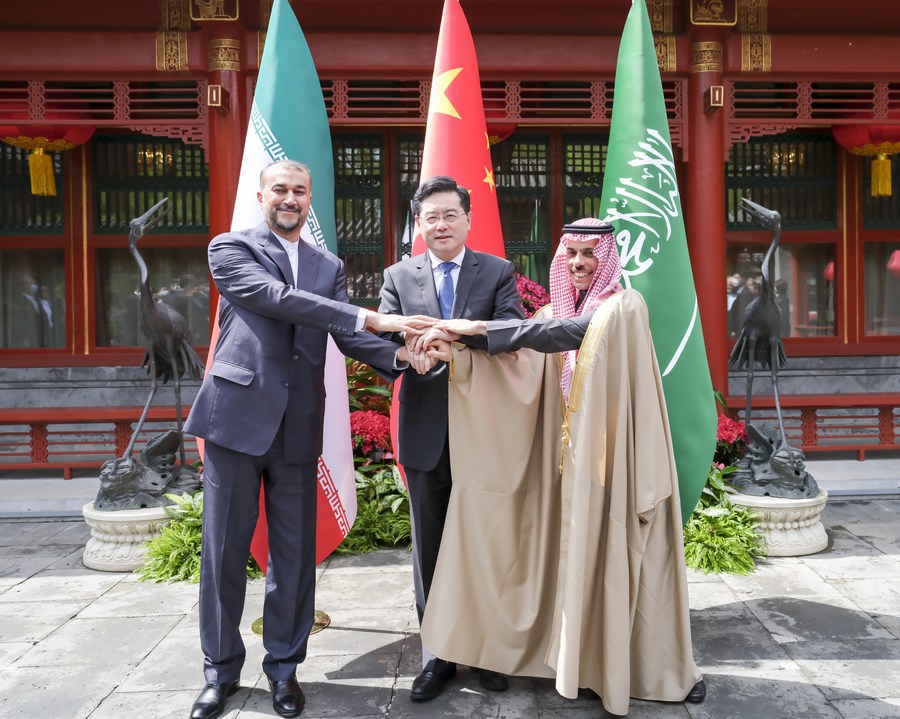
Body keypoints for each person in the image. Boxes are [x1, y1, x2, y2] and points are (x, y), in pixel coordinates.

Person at [418, 217, 706, 716]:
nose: (578, 263)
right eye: (570, 254)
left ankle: (641, 667)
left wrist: (479, 329)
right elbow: (522, 369)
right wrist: (462, 356)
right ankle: (580, 662)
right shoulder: (551, 311)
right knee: (573, 561)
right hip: (567, 468)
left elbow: (570, 332)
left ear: (607, 258)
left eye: (589, 254)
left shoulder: (624, 307)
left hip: (615, 464)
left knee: (618, 559)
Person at [183, 159, 433, 719]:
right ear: (262, 196)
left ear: (309, 199)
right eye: (280, 189)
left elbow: (345, 334)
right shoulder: (232, 248)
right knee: (223, 554)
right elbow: (276, 299)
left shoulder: (328, 265)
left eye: (299, 190)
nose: (290, 198)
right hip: (236, 418)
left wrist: (402, 356)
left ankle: (284, 670)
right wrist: (372, 317)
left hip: (298, 423)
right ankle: (220, 673)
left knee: (293, 558)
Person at [377, 175, 525, 701]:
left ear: (468, 219)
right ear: (419, 225)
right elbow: (381, 338)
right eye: (431, 217)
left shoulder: (497, 271)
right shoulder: (398, 276)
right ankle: (437, 655)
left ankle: (485, 652)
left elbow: (512, 331)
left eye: (450, 215)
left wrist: (457, 337)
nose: (441, 225)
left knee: (485, 542)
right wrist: (403, 355)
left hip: (483, 428)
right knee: (431, 548)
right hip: (425, 429)